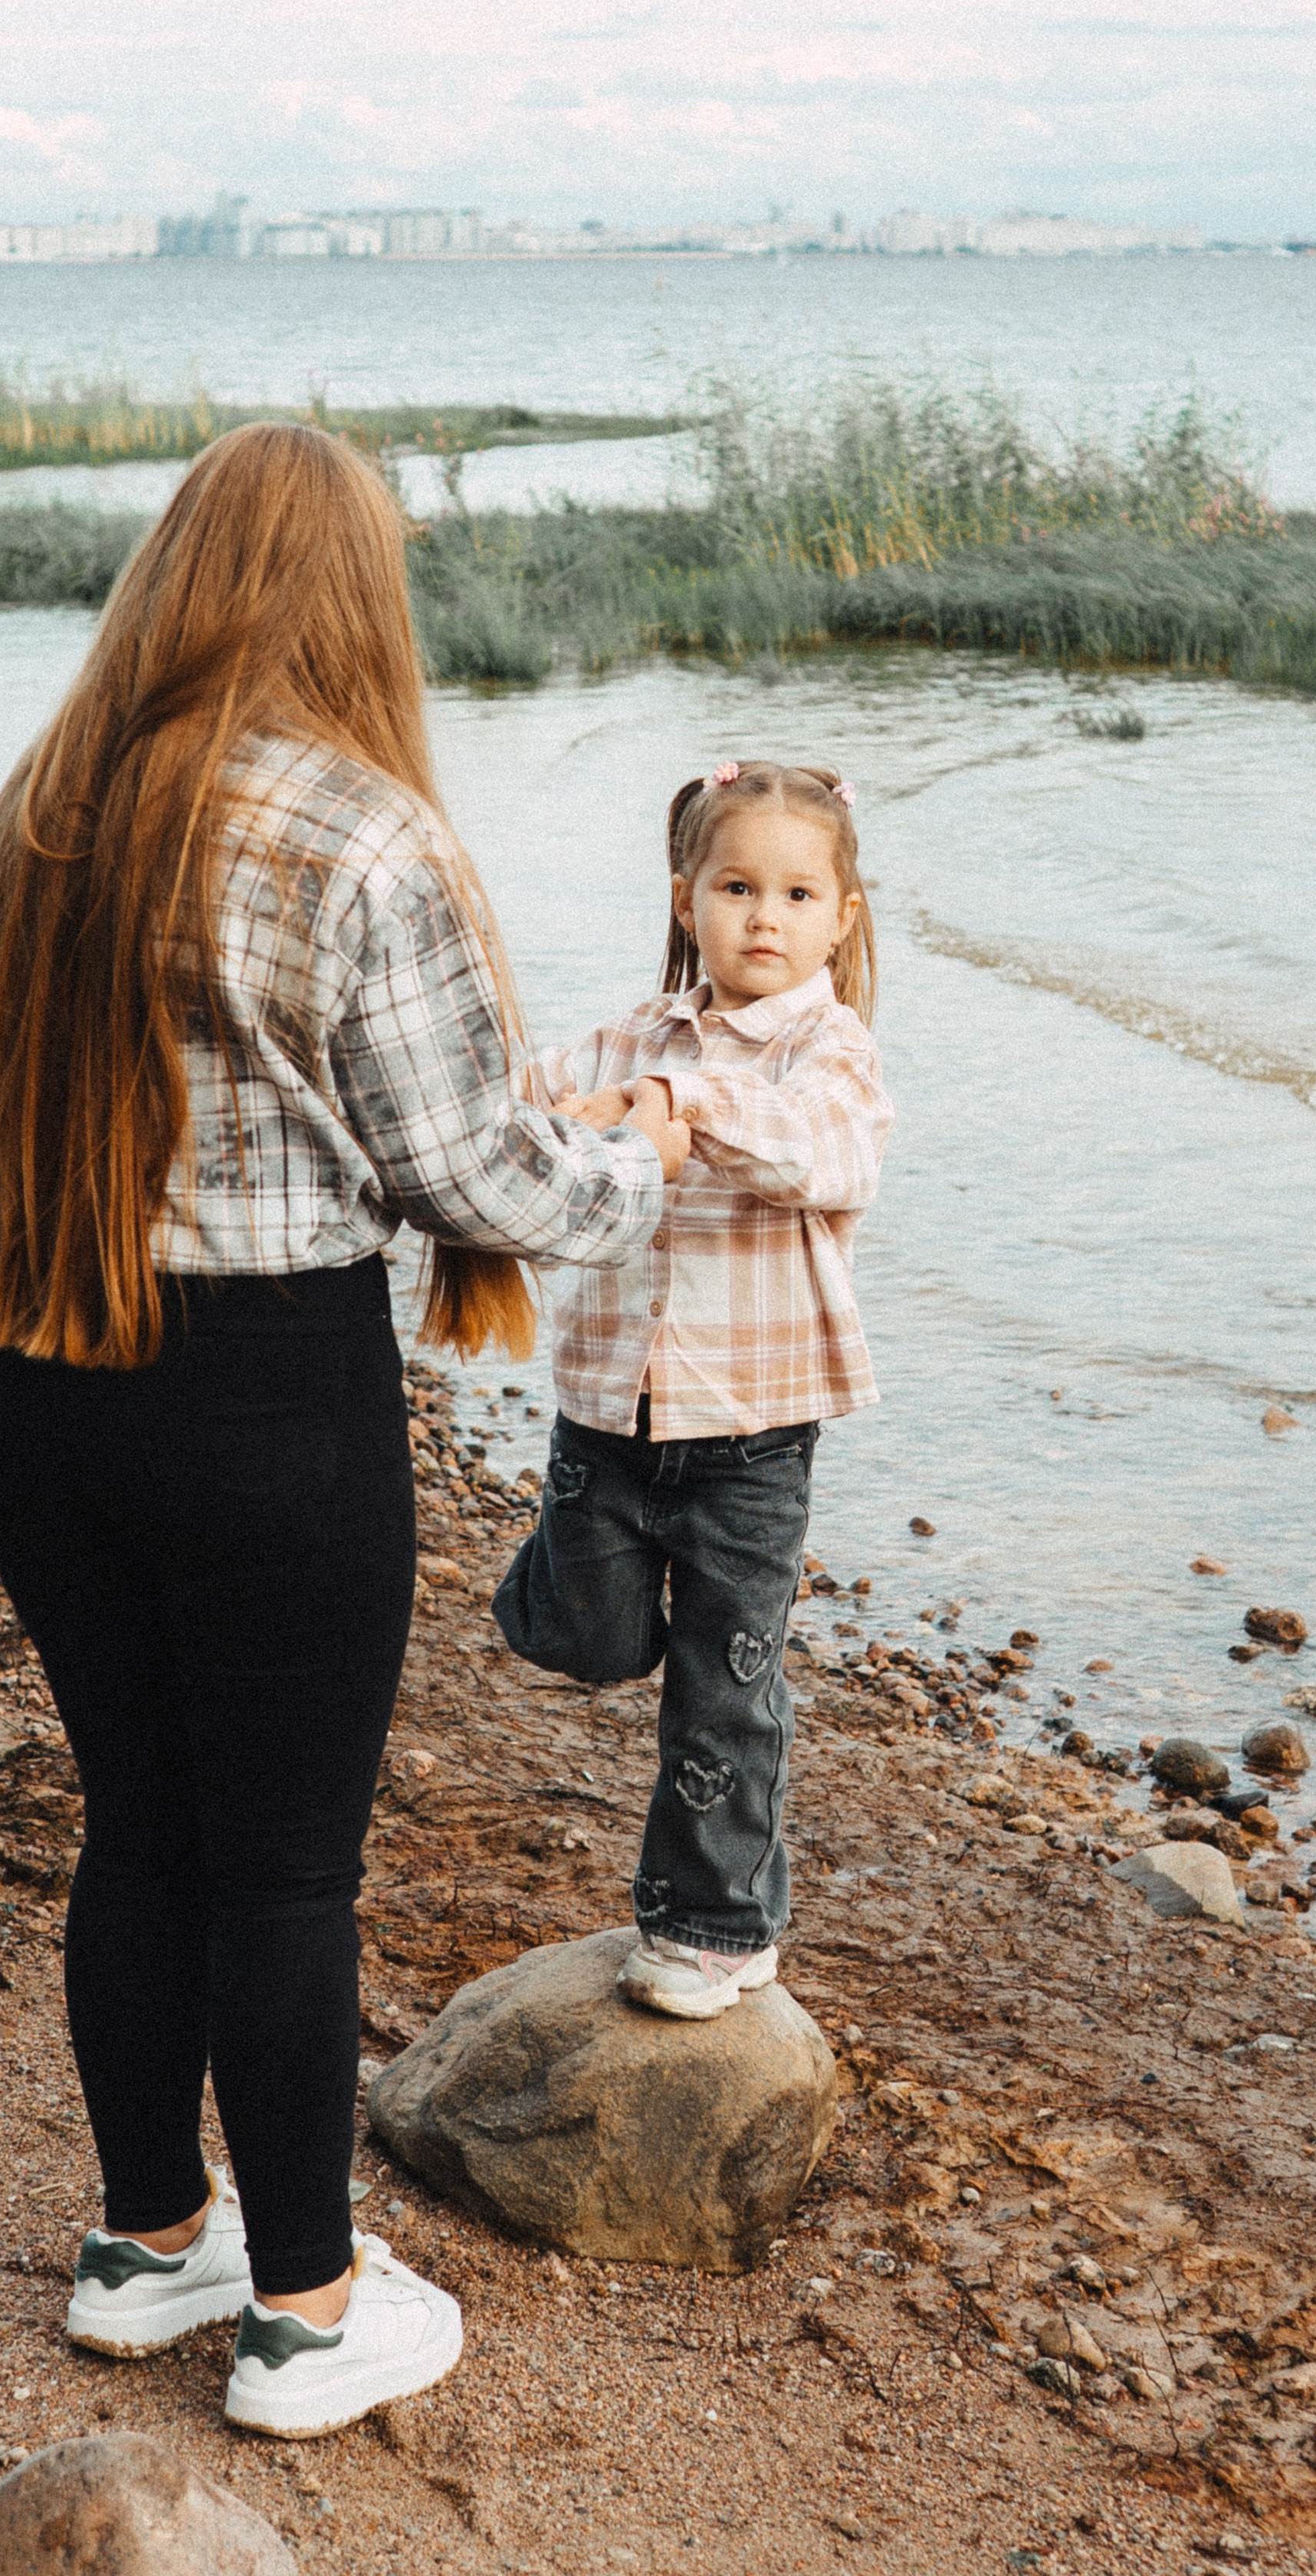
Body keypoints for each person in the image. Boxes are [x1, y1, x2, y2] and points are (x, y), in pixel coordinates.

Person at [0, 422, 687, 2437]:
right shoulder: (358, 831)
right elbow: (479, 1179)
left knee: (145, 1823)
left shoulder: (51, 802)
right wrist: (642, 1155)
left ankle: (144, 2243)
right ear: (352, 593)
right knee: (283, 1870)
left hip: (38, 1374)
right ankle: (299, 2311)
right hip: (264, 1400)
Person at [494, 757, 892, 2015]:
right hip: (607, 1414)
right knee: (595, 1640)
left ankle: (713, 1929)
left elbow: (825, 1158)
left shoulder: (833, 1055)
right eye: (736, 887)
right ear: (687, 901)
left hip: (755, 1433)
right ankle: (547, 1591)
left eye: (795, 893)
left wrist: (680, 1105)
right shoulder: (628, 1033)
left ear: (843, 915)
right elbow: (526, 1101)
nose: (764, 917)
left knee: (725, 1689)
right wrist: (559, 1110)